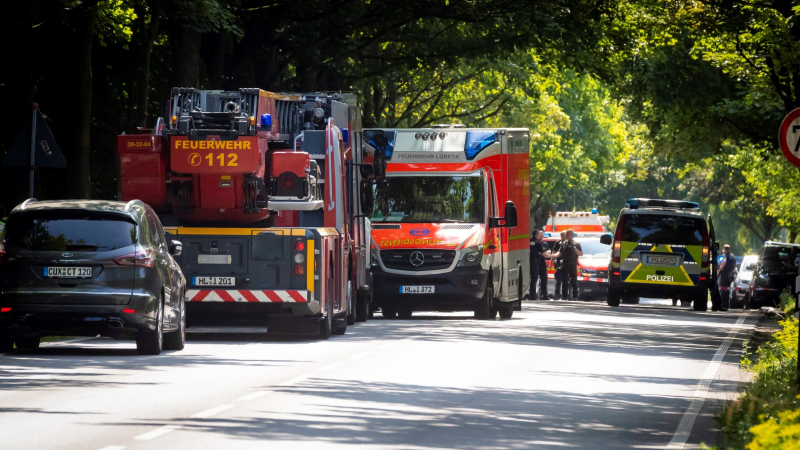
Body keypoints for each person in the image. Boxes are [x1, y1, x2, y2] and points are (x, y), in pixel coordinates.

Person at [530, 230, 557, 299]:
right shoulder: (538, 243)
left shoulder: (529, 241)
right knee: (535, 279)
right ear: (537, 235)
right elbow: (544, 254)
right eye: (539, 234)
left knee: (533, 279)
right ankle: (534, 295)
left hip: (530, 262)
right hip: (535, 263)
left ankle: (532, 295)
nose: (540, 236)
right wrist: (552, 256)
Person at [560, 229, 583, 300]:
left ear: (571, 235)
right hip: (565, 264)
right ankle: (564, 296)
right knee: (564, 281)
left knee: (574, 281)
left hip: (573, 264)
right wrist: (553, 256)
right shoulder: (564, 243)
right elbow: (560, 252)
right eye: (566, 234)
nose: (566, 235)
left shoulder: (576, 243)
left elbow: (581, 254)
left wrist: (574, 248)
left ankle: (575, 296)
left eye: (568, 234)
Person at [717, 244, 736, 311]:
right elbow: (734, 265)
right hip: (731, 275)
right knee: (727, 290)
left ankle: (723, 305)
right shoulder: (733, 256)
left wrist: (719, 270)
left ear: (725, 249)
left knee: (723, 290)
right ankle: (727, 305)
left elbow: (724, 262)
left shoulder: (726, 256)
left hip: (725, 274)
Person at [551, 231, 567, 299]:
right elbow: (554, 252)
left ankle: (565, 295)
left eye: (563, 235)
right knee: (558, 280)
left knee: (566, 280)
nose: (562, 236)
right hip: (558, 264)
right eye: (561, 235)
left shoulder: (568, 243)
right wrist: (552, 262)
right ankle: (557, 294)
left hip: (567, 264)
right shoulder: (558, 243)